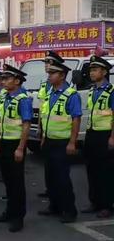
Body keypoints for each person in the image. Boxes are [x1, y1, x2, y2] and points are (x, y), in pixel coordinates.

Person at [38, 61, 82, 223]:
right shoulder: (50, 93)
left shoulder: (71, 95)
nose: (49, 76)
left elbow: (76, 119)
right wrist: (43, 137)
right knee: (50, 176)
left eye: (52, 73)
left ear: (62, 75)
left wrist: (72, 142)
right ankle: (54, 206)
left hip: (63, 142)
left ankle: (69, 210)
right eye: (49, 73)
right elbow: (46, 117)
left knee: (62, 178)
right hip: (49, 141)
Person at [0, 65, 32, 233]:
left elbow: (26, 124)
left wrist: (21, 148)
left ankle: (18, 217)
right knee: (8, 180)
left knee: (17, 182)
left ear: (17, 81)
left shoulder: (23, 99)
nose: (3, 82)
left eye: (7, 79)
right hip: (4, 142)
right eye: (3, 78)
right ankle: (9, 212)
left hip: (16, 143)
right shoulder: (4, 97)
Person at [82, 55, 114, 218]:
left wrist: (112, 138)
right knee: (91, 169)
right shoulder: (93, 90)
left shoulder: (111, 92)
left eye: (95, 70)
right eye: (91, 70)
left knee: (106, 172)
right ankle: (94, 202)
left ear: (104, 72)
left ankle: (107, 205)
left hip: (105, 135)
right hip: (91, 133)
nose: (92, 73)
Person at [37, 50, 65, 198]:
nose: (46, 66)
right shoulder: (46, 85)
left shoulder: (63, 88)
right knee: (48, 167)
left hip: (60, 136)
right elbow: (43, 108)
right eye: (46, 63)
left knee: (60, 171)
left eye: (49, 63)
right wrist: (40, 127)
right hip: (46, 129)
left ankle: (62, 201)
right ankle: (50, 192)